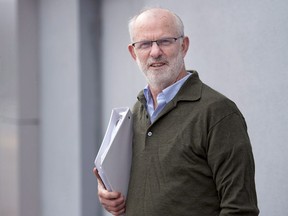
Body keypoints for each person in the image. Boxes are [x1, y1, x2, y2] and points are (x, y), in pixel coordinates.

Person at [94, 7, 259, 216]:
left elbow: (240, 209)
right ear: (133, 52)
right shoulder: (135, 113)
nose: (155, 52)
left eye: (165, 41)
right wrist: (109, 193)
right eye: (144, 44)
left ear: (184, 46)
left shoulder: (218, 113)